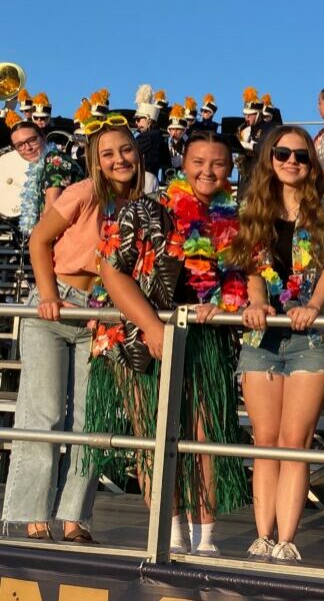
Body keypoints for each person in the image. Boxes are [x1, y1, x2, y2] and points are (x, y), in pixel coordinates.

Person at [84, 130, 250, 556]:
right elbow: (111, 270)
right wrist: (155, 328)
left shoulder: (235, 220)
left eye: (217, 163)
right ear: (183, 165)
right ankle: (168, 532)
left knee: (203, 436)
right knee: (153, 435)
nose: (207, 171)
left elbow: (245, 278)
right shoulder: (147, 209)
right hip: (142, 337)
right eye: (198, 162)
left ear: (230, 169)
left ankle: (205, 539)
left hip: (204, 341)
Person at [2, 116, 143, 543]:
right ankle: (31, 515)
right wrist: (47, 295)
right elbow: (39, 240)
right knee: (43, 414)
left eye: (126, 150)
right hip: (56, 305)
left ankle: (73, 519)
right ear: (95, 162)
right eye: (108, 153)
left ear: (138, 154)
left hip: (101, 314)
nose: (119, 159)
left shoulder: (143, 205)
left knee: (89, 420)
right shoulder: (83, 193)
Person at [230, 126, 324, 564]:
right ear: (270, 158)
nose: (292, 161)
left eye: (300, 155)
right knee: (266, 440)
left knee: (295, 441)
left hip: (309, 337)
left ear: (311, 161)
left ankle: (287, 539)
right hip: (263, 337)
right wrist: (256, 300)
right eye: (282, 154)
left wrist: (315, 304)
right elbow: (252, 265)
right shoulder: (254, 206)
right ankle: (262, 534)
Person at [9, 118, 84, 237]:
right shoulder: (41, 165)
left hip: (69, 239)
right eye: (20, 145)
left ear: (43, 137)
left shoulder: (54, 160)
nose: (28, 148)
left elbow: (51, 209)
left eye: (32, 140)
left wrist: (38, 243)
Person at [134, 85, 168, 193]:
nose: (136, 123)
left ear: (148, 119)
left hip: (144, 180)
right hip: (154, 180)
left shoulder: (146, 137)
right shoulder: (160, 136)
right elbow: (166, 160)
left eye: (139, 119)